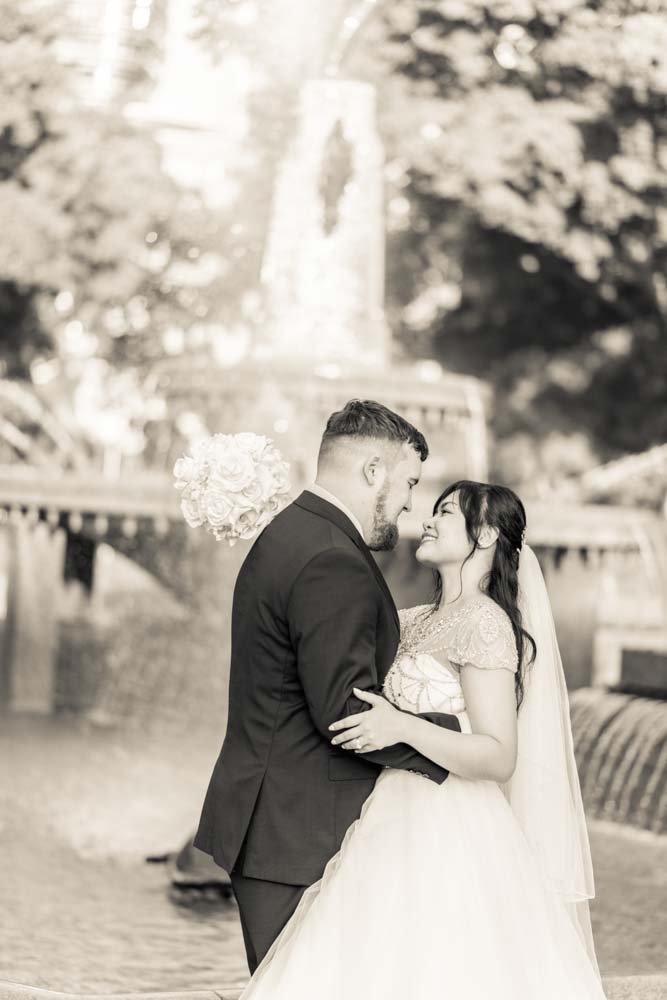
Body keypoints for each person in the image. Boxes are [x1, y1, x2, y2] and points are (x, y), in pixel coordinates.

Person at [235, 481, 607, 1000]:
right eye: (432, 510)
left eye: (446, 512)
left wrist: (404, 726)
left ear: (484, 535)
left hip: (450, 823)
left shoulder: (485, 623)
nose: (428, 520)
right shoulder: (414, 620)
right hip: (386, 813)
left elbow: (499, 755)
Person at [193, 400, 462, 974]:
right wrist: (457, 742)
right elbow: (344, 712)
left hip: (280, 822)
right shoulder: (331, 558)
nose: (412, 502)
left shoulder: (295, 532)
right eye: (409, 482)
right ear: (373, 471)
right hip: (298, 829)